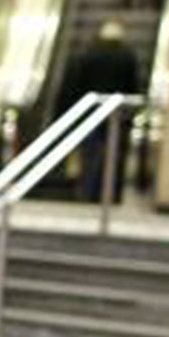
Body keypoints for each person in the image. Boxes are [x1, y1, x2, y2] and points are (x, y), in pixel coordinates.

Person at [58, 20, 144, 202]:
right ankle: (111, 195)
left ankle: (88, 193)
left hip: (90, 113)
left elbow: (76, 84)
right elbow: (134, 86)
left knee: (90, 156)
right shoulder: (127, 56)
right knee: (114, 157)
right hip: (117, 115)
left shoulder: (88, 54)